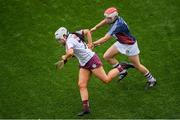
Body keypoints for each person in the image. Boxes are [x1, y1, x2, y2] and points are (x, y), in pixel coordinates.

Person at [54, 27, 132, 116]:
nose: (59, 42)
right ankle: (86, 109)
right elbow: (87, 31)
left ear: (64, 36)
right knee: (81, 85)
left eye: (59, 39)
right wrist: (65, 60)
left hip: (91, 60)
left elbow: (71, 53)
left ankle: (122, 66)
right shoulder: (74, 34)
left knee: (106, 80)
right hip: (84, 63)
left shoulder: (69, 42)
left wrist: (64, 56)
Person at [90, 7, 156, 89]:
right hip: (121, 43)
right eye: (106, 17)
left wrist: (93, 43)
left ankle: (151, 79)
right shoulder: (113, 19)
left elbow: (105, 38)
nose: (107, 19)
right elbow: (105, 21)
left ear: (115, 17)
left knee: (137, 65)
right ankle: (123, 71)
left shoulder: (118, 25)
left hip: (130, 46)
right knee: (107, 56)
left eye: (109, 18)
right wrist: (96, 27)